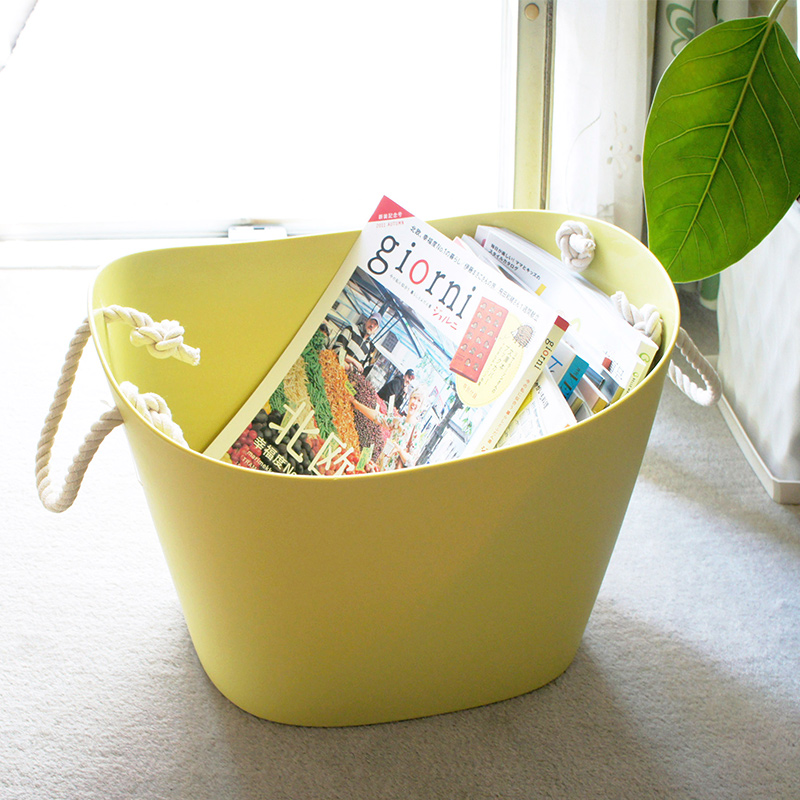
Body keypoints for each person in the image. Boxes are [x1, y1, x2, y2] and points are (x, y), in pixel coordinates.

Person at [349, 387, 425, 471]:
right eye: (414, 398)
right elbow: (378, 418)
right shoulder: (399, 421)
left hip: (391, 474)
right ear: (410, 400)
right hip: (380, 468)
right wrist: (356, 404)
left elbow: (411, 461)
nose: (415, 402)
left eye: (419, 401)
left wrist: (399, 449)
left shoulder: (416, 428)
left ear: (420, 407)